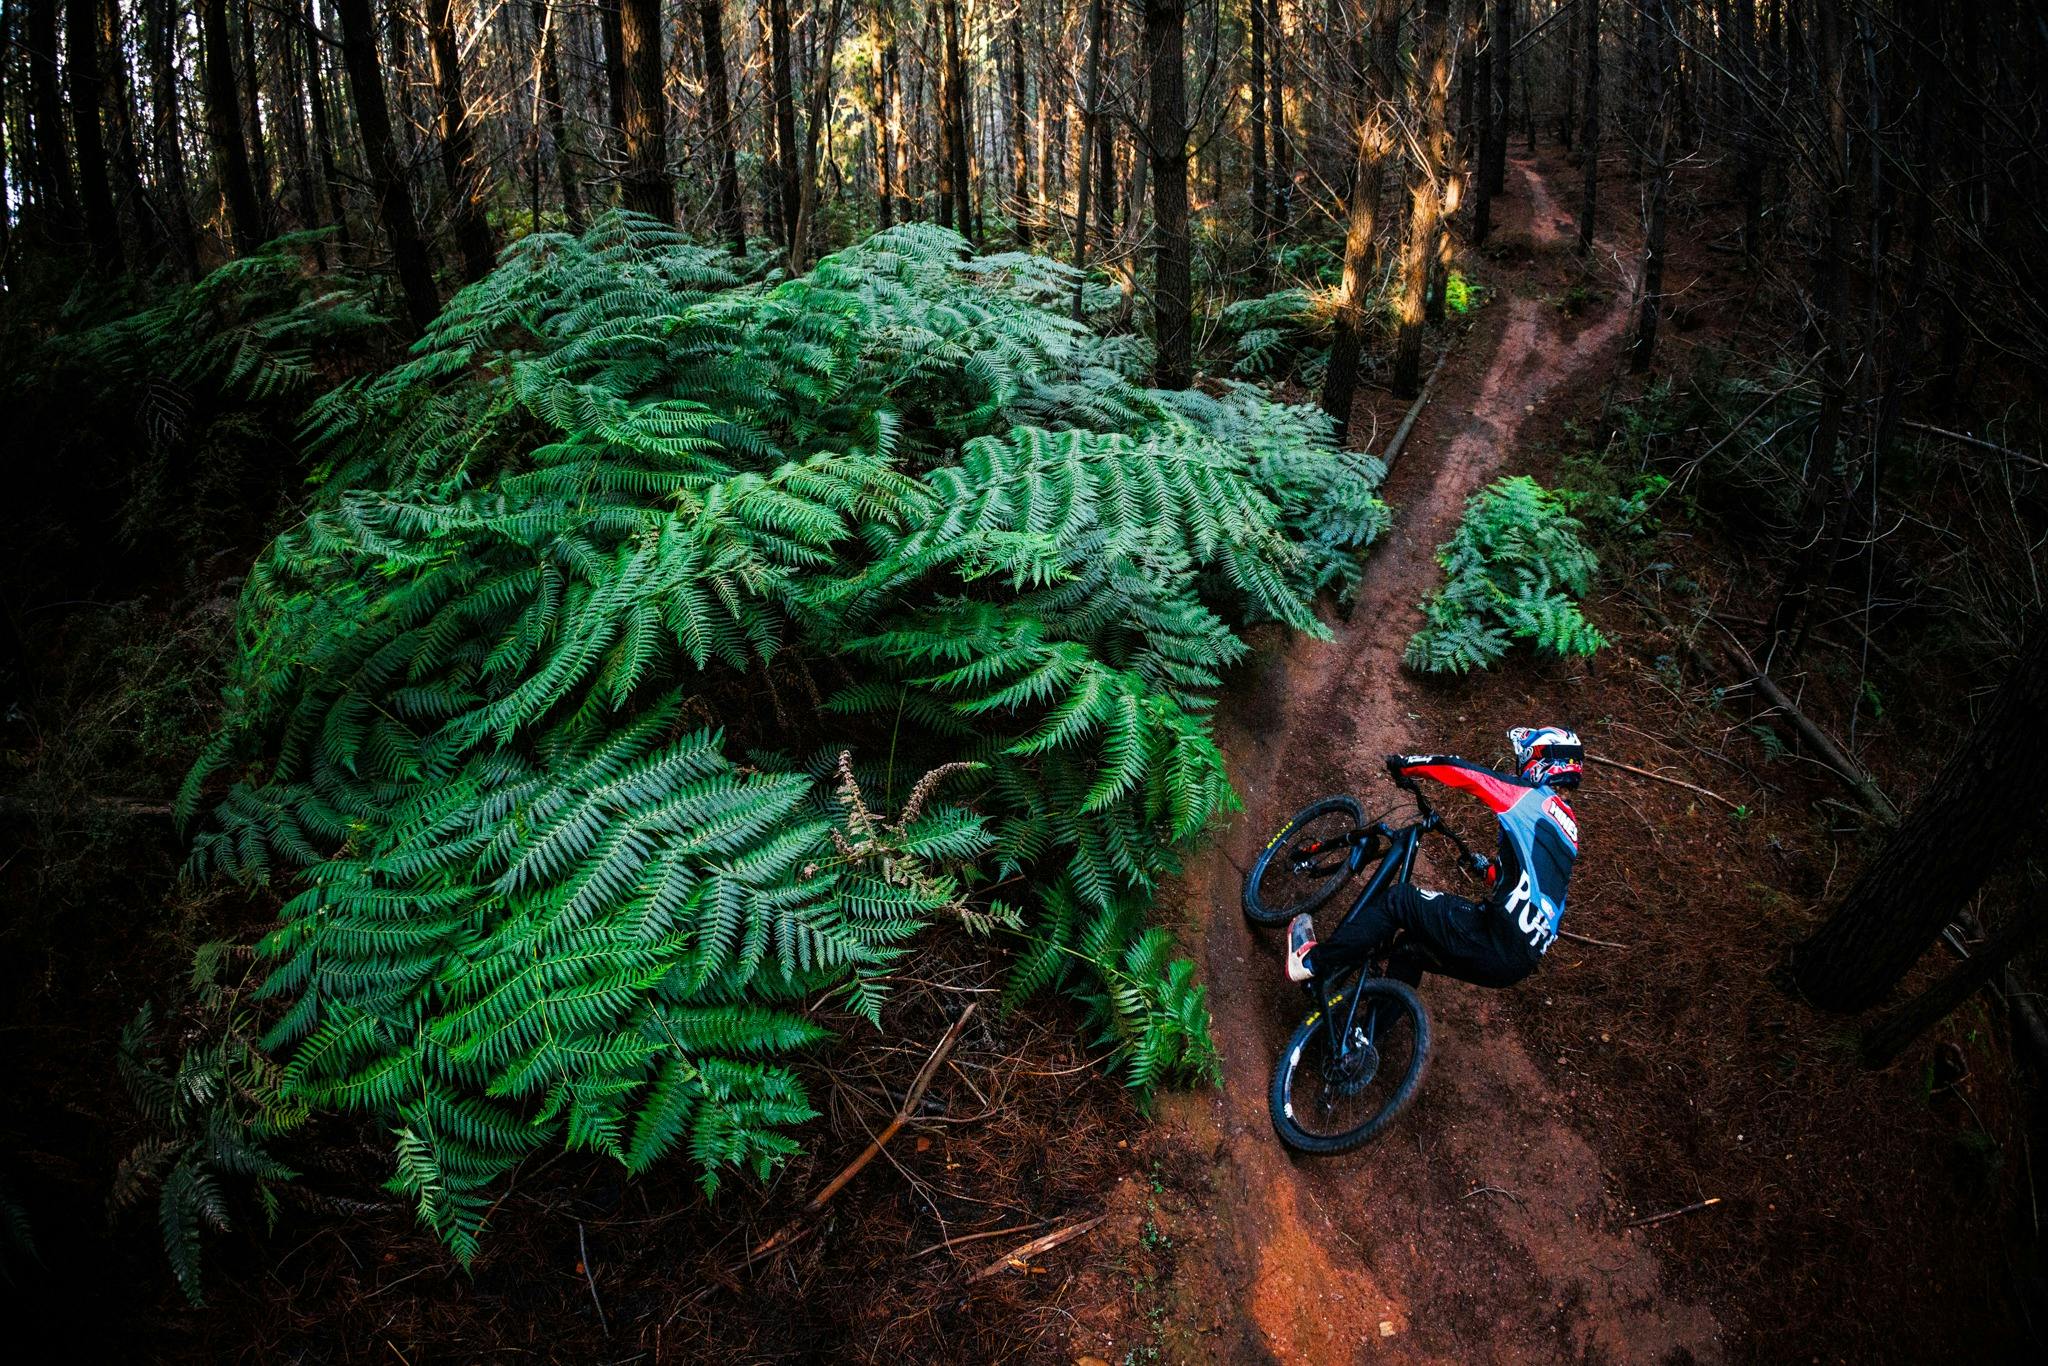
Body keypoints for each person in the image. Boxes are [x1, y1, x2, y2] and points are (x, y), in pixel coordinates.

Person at [1285, 727, 1583, 990]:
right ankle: (1362, 1043)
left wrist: (1407, 765)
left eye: (1526, 759)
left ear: (1542, 761)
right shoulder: (1569, 833)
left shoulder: (1532, 799)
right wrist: (1490, 873)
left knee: (1399, 901)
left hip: (1494, 935)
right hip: (1517, 963)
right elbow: (1537, 887)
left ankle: (1310, 962)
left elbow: (1466, 773)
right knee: (1409, 950)